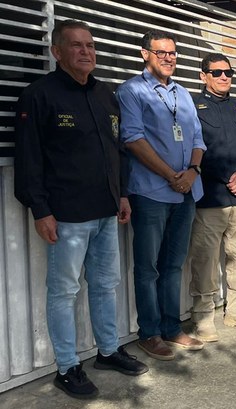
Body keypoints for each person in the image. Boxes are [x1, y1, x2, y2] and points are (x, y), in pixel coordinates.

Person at [14, 20, 147, 399]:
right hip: (66, 216)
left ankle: (107, 351)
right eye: (76, 46)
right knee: (64, 291)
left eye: (90, 45)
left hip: (107, 210)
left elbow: (116, 151)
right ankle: (68, 366)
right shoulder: (38, 96)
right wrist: (40, 209)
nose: (86, 51)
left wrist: (122, 195)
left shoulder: (106, 95)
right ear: (57, 52)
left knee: (106, 285)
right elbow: (28, 161)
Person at [116, 30, 206, 360]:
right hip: (152, 192)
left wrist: (192, 172)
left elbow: (197, 137)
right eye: (160, 52)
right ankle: (150, 333)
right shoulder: (131, 90)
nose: (168, 58)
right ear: (145, 54)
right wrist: (171, 175)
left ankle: (171, 328)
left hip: (187, 191)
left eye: (172, 53)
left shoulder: (183, 93)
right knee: (148, 267)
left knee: (173, 265)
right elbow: (133, 138)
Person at [187, 53, 236, 342]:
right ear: (203, 76)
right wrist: (224, 176)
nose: (223, 77)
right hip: (211, 198)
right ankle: (204, 317)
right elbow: (194, 148)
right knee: (205, 260)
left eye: (228, 73)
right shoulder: (193, 107)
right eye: (217, 72)